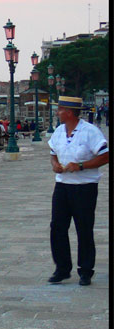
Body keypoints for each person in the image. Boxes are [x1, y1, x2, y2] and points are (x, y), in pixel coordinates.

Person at [46, 96, 109, 286]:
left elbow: (105, 156)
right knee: (57, 227)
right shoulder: (58, 131)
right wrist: (55, 164)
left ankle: (86, 270)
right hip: (62, 186)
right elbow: (53, 153)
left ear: (70, 112)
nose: (57, 113)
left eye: (60, 109)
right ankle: (62, 268)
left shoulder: (90, 132)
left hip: (85, 188)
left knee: (84, 228)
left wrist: (81, 166)